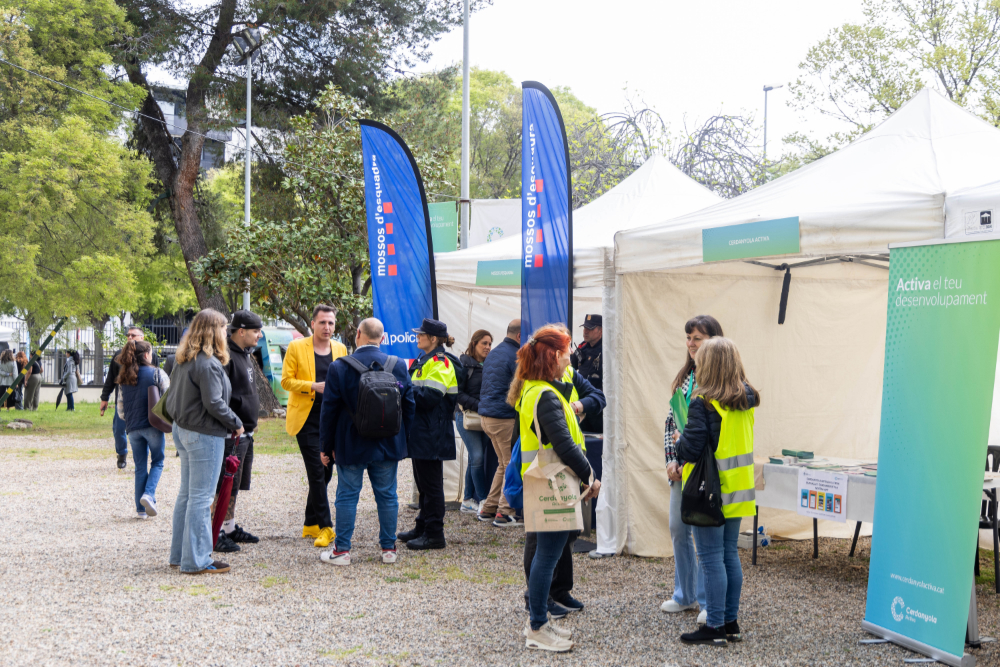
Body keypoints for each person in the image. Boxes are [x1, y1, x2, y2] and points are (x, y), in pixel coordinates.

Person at [509, 325, 600, 652]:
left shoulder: (536, 388)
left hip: (545, 481)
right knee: (546, 557)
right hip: (552, 483)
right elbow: (563, 444)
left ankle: (540, 623)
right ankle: (537, 626)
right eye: (565, 353)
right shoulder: (545, 394)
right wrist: (590, 475)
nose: (570, 358)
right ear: (553, 356)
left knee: (545, 556)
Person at [676, 336, 759, 646]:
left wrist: (678, 440)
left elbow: (691, 448)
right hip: (739, 489)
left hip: (710, 493)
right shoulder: (746, 399)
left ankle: (714, 627)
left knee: (710, 558)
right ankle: (730, 623)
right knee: (728, 556)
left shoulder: (703, 402)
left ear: (708, 366)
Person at [316, 318, 415, 566]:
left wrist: (325, 447)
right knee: (388, 495)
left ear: (358, 334)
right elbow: (410, 406)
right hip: (388, 443)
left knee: (347, 495)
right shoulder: (398, 365)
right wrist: (404, 442)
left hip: (351, 443)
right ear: (382, 338)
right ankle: (388, 549)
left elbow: (328, 412)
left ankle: (342, 551)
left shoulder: (339, 367)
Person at [165, 309, 243, 575]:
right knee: (201, 498)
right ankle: (196, 561)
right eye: (223, 328)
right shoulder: (208, 363)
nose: (226, 332)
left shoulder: (183, 358)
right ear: (213, 330)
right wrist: (236, 422)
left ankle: (180, 555)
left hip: (183, 429)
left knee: (187, 495)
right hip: (203, 433)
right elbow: (214, 403)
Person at [661, 315, 723, 623]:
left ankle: (706, 600)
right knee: (678, 528)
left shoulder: (719, 382)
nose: (691, 344)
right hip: (681, 469)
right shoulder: (685, 379)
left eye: (697, 338)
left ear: (713, 340)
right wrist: (672, 460)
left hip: (705, 470)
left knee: (704, 537)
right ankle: (683, 594)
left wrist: (685, 452)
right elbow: (670, 423)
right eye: (688, 338)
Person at [281, 305, 347, 548]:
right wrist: (312, 386)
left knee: (327, 472)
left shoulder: (340, 348)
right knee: (317, 473)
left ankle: (310, 523)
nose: (327, 327)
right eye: (322, 323)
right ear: (312, 323)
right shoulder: (297, 347)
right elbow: (286, 380)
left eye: (331, 323)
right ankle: (326, 527)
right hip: (306, 421)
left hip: (331, 420)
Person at [398, 318, 462, 551]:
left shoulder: (441, 362)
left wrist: (403, 388)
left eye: (421, 334)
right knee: (423, 484)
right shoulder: (426, 360)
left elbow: (430, 397)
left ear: (433, 339)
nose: (418, 336)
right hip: (423, 430)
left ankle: (435, 534)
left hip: (431, 432)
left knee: (432, 486)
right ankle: (422, 526)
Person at [212, 311, 264, 553]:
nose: (259, 335)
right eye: (256, 331)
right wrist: (234, 422)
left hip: (246, 432)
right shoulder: (225, 357)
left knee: (235, 485)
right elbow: (220, 397)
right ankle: (216, 531)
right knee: (223, 485)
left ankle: (229, 527)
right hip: (231, 433)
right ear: (241, 331)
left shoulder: (245, 354)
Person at [116, 340, 170, 519]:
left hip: (132, 428)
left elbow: (121, 410)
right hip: (152, 425)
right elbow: (169, 398)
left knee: (140, 466)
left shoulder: (124, 378)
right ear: (147, 355)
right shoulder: (157, 373)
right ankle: (149, 494)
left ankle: (140, 511)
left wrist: (130, 420)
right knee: (157, 461)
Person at [477, 319, 523, 526]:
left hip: (486, 417)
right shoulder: (516, 356)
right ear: (520, 336)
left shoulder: (494, 352)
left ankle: (489, 507)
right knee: (511, 465)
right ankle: (504, 512)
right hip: (504, 418)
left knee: (503, 464)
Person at [102, 327, 160, 469]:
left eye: (133, 335)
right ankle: (121, 453)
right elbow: (111, 379)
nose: (129, 337)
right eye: (128, 335)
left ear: (142, 337)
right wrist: (104, 398)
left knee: (145, 430)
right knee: (118, 429)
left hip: (145, 402)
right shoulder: (119, 356)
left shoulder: (151, 356)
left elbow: (157, 379)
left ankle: (142, 460)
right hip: (125, 401)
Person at [456, 329, 492, 514]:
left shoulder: (490, 365)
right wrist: (479, 406)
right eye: (484, 343)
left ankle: (468, 500)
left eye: (489, 344)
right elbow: (458, 394)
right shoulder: (464, 364)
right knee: (478, 457)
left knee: (474, 458)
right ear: (474, 343)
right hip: (466, 417)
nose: (487, 347)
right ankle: (484, 499)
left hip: (485, 418)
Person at [570, 314, 603, 433]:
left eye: (590, 328)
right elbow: (568, 369)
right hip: (582, 406)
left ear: (601, 330)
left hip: (598, 408)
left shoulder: (607, 351)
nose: (585, 331)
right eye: (584, 328)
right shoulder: (582, 349)